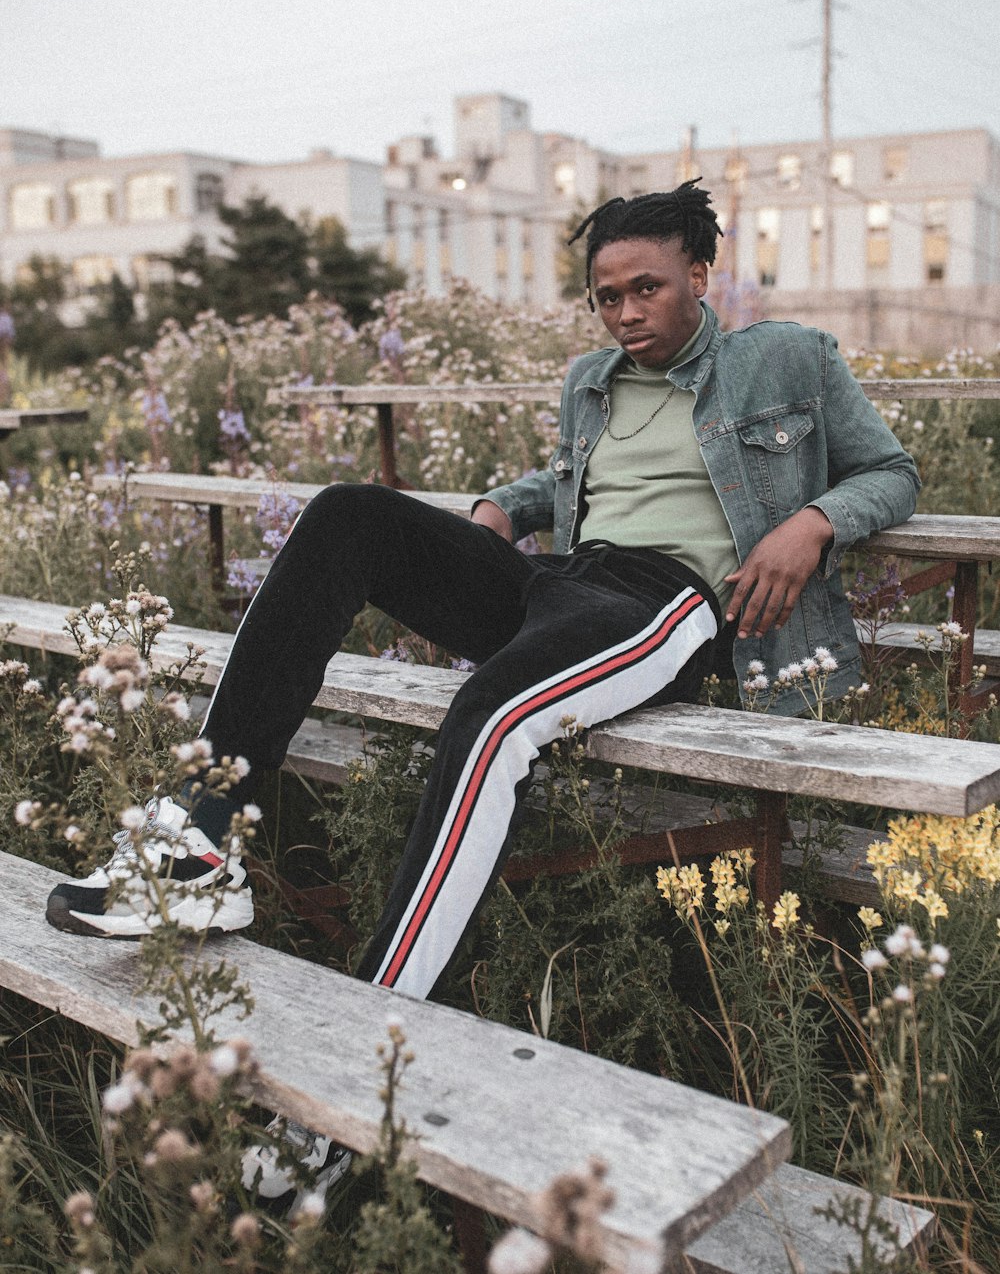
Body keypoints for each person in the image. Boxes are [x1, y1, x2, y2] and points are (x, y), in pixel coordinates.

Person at [44, 181, 920, 1203]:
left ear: (698, 274)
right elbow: (573, 483)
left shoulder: (787, 358)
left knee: (488, 720)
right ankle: (199, 841)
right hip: (563, 583)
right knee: (348, 513)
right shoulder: (593, 380)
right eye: (604, 297)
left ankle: (344, 1097)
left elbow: (889, 472)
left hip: (669, 605)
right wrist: (497, 510)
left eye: (645, 288)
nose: (625, 313)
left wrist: (810, 523)